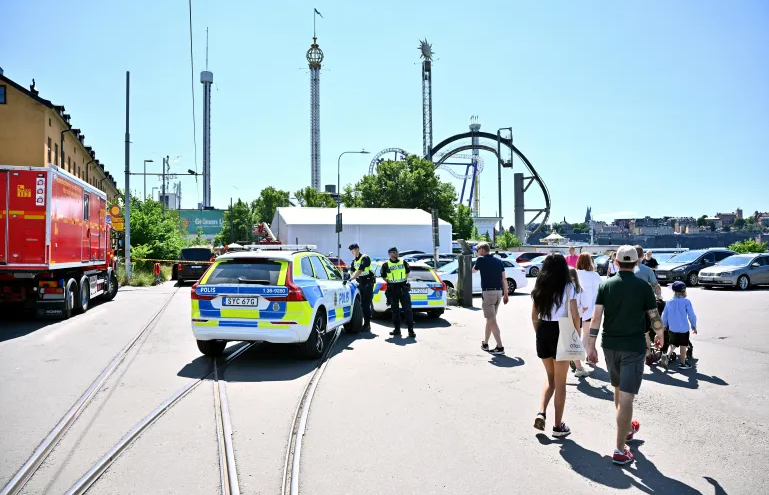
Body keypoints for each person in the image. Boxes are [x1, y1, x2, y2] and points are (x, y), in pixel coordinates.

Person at [586, 245, 664, 465]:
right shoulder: (643, 287)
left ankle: (627, 429)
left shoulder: (606, 285)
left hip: (610, 345)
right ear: (637, 262)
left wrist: (590, 346)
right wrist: (660, 334)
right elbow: (654, 316)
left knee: (618, 390)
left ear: (616, 262)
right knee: (627, 396)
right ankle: (620, 450)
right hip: (633, 346)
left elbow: (596, 318)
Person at [531, 253, 579, 438]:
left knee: (550, 378)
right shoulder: (568, 287)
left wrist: (539, 332)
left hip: (543, 330)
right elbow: (575, 314)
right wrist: (576, 335)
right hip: (562, 330)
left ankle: (541, 412)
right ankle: (558, 426)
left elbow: (534, 315)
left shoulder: (540, 285)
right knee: (560, 383)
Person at [472, 242, 509, 355]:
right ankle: (485, 343)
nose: (477, 251)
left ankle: (500, 347)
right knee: (490, 319)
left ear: (482, 249)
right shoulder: (498, 261)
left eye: (477, 249)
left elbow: (473, 271)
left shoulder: (481, 259)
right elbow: (504, 278)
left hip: (488, 293)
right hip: (498, 293)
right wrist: (506, 294)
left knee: (492, 320)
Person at [574, 254, 601, 377]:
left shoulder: (574, 274)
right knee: (587, 335)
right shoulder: (595, 276)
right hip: (591, 310)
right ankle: (577, 356)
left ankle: (587, 357)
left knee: (577, 335)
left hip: (575, 310)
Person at [380, 247, 415, 338]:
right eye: (394, 252)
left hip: (403, 288)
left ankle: (411, 330)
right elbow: (383, 276)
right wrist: (390, 281)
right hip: (392, 289)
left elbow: (408, 272)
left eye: (397, 252)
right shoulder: (386, 265)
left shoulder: (403, 262)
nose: (396, 253)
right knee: (395, 311)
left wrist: (402, 280)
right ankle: (397, 330)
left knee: (407, 310)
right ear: (389, 254)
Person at [661, 281, 698, 370]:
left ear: (674, 291)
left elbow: (664, 315)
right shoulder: (686, 302)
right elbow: (692, 315)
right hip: (683, 328)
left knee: (673, 343)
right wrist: (693, 326)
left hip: (672, 328)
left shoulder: (669, 302)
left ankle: (667, 355)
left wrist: (664, 325)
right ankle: (682, 363)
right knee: (683, 345)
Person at [347, 243, 374, 332]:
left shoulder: (365, 258)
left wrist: (352, 278)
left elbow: (360, 270)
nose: (353, 252)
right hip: (360, 282)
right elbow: (351, 271)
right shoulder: (354, 261)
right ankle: (363, 323)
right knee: (361, 304)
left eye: (354, 250)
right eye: (351, 251)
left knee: (366, 304)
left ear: (358, 249)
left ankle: (367, 325)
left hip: (368, 282)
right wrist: (349, 276)